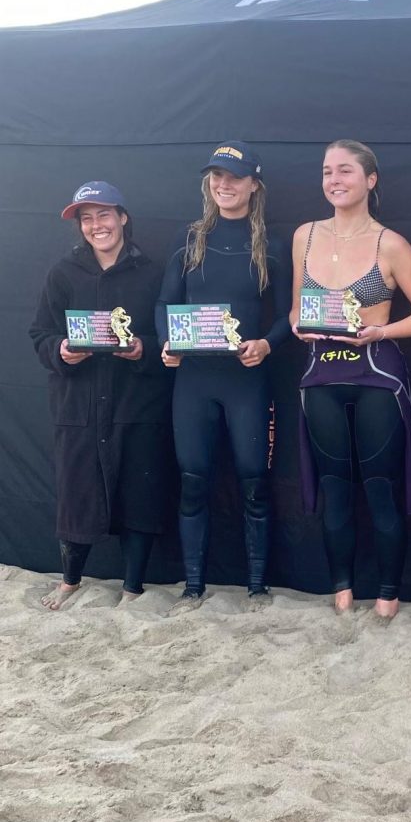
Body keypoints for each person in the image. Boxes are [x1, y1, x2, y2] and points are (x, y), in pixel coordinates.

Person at [291, 140, 411, 620]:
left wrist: (380, 331)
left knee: (379, 487)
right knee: (334, 486)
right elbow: (295, 309)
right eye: (328, 171)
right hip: (319, 373)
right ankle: (343, 590)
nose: (335, 179)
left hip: (375, 372)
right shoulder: (304, 236)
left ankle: (388, 595)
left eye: (346, 170)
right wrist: (296, 324)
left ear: (370, 180)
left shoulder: (389, 243)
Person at [157, 143, 291, 604]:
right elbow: (164, 304)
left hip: (245, 381)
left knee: (254, 481)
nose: (224, 185)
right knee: (192, 479)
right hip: (193, 380)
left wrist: (268, 343)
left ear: (254, 184)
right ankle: (194, 585)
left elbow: (287, 314)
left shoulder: (272, 244)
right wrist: (167, 343)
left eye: (234, 177)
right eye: (216, 176)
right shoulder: (189, 238)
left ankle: (257, 585)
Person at [29, 181, 173, 608]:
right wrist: (61, 350)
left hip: (137, 404)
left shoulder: (152, 272)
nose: (97, 226)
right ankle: (70, 580)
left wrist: (142, 347)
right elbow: (40, 333)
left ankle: (132, 588)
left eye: (104, 215)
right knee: (77, 492)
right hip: (79, 406)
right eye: (87, 219)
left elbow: (167, 334)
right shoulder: (62, 272)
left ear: (123, 217)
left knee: (140, 492)